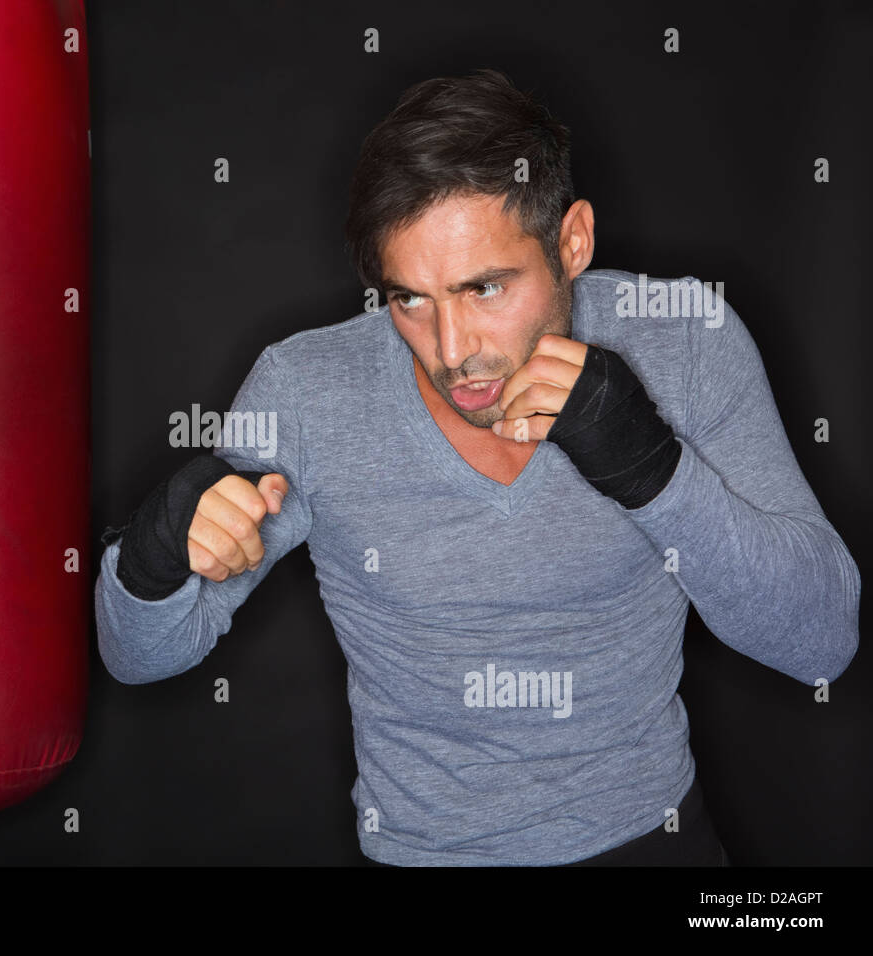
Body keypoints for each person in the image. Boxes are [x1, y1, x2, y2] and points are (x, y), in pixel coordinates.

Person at [94, 69, 860, 866]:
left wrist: (652, 472)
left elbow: (822, 642)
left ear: (572, 243)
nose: (453, 351)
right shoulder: (308, 388)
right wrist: (150, 561)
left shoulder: (687, 340)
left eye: (486, 288)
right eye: (411, 300)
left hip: (651, 839)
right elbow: (139, 657)